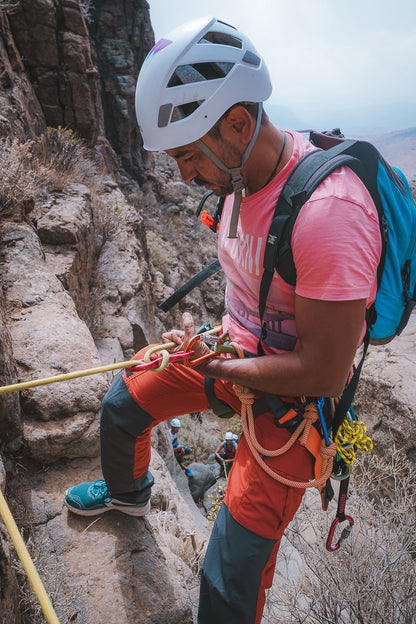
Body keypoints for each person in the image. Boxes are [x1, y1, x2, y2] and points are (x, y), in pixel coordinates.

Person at [64, 16, 381, 624]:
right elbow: (251, 295)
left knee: (226, 582)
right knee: (122, 405)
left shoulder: (328, 217)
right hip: (233, 353)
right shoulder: (238, 179)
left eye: (187, 155)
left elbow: (324, 372)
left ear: (238, 122)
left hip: (292, 402)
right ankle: (129, 498)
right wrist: (207, 344)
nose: (183, 175)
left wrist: (227, 365)